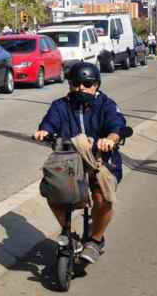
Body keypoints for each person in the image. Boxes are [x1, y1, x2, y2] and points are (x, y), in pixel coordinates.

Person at [33, 62, 126, 265]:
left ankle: (95, 239)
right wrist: (44, 131)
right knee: (52, 192)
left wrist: (110, 138)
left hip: (101, 161)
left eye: (87, 83)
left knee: (104, 198)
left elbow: (117, 125)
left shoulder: (106, 104)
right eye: (76, 83)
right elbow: (49, 122)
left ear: (97, 85)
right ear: (70, 84)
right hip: (69, 161)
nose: (81, 88)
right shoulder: (61, 105)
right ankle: (71, 236)